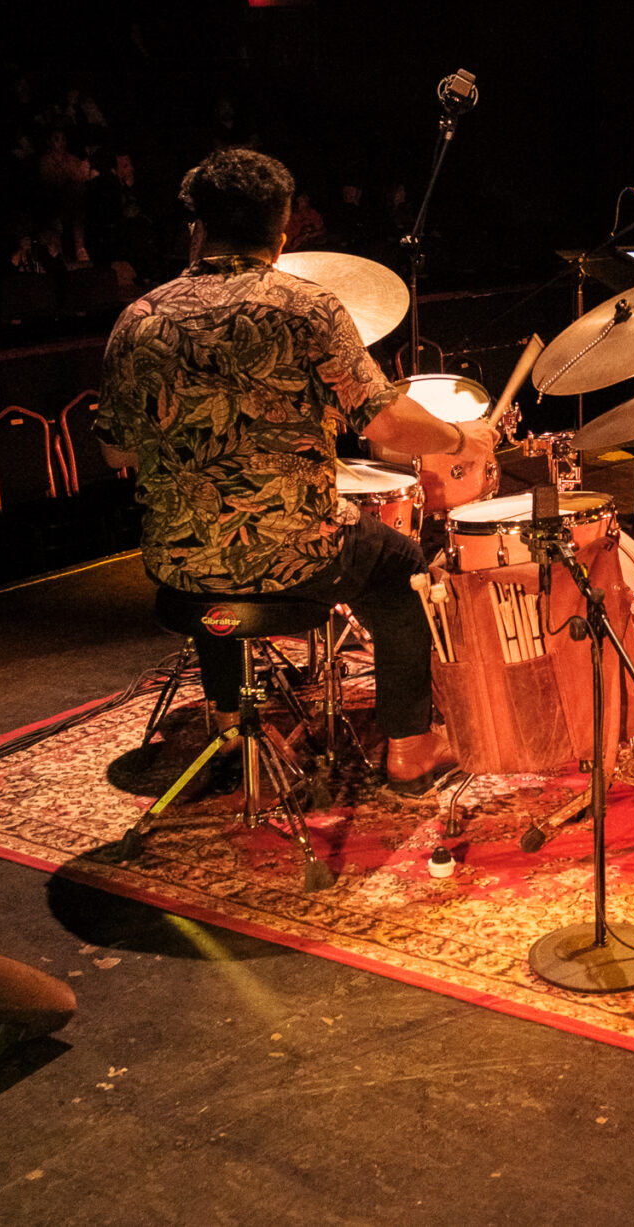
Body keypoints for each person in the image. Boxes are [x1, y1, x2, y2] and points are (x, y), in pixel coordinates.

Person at [95, 148, 496, 791]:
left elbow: (116, 452)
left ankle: (230, 722)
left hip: (178, 563)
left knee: (211, 539)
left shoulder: (138, 320)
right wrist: (458, 437)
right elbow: (385, 423)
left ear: (196, 229)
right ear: (282, 234)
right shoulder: (307, 308)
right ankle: (412, 746)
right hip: (296, 559)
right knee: (401, 566)